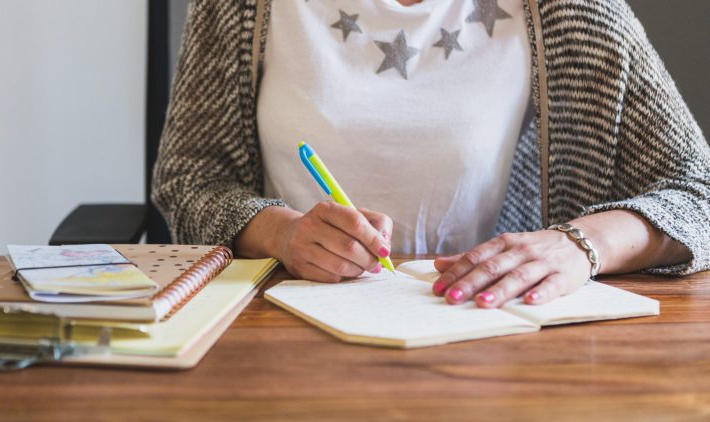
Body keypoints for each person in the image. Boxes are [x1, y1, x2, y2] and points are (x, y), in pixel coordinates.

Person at [152, 0, 709, 309]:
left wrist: (580, 245)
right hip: (284, 319)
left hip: (487, 323)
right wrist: (281, 233)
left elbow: (700, 192)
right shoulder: (243, 8)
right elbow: (186, 177)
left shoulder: (567, 10)